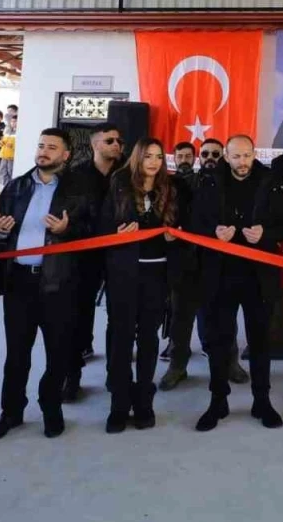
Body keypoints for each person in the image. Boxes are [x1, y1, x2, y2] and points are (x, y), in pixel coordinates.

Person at [0, 129, 94, 444]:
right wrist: (0, 233)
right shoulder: (16, 187)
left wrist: (68, 229)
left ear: (66, 155)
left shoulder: (79, 189)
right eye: (41, 145)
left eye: (52, 147)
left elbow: (93, 231)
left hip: (59, 283)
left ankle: (50, 407)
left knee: (58, 352)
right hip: (19, 282)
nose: (43, 151)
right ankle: (11, 411)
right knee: (17, 353)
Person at [189, 134, 283, 431]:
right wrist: (213, 233)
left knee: (260, 341)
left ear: (254, 154)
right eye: (236, 156)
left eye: (247, 155)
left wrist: (266, 235)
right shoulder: (209, 181)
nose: (243, 162)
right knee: (219, 340)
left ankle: (262, 401)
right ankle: (218, 401)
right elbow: (194, 221)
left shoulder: (270, 181)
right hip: (220, 274)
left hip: (259, 275)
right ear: (226, 156)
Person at [100, 139, 187, 433]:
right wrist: (117, 233)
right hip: (124, 272)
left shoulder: (171, 187)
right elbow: (103, 225)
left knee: (149, 338)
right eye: (148, 156)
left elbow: (182, 226)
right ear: (138, 157)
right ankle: (118, 404)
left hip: (157, 274)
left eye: (159, 157)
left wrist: (175, 237)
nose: (153, 162)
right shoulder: (119, 183)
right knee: (121, 338)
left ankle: (144, 402)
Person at [161, 137, 247, 389]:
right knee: (181, 318)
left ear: (225, 157)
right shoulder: (184, 183)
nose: (210, 159)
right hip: (186, 261)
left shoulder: (232, 185)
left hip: (219, 262)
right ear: (199, 157)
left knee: (224, 317)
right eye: (206, 154)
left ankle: (230, 362)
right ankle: (177, 366)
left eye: (216, 154)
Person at [63, 123, 125, 402]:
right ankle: (72, 376)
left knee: (119, 314)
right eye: (109, 140)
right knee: (77, 314)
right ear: (95, 144)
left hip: (119, 254)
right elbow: (69, 216)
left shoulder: (127, 174)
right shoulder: (75, 176)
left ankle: (116, 375)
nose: (116, 145)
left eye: (119, 141)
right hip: (85, 254)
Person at [0, 119, 17, 189]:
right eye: (12, 121)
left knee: (10, 172)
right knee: (2, 172)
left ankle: (12, 187)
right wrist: (0, 142)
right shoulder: (7, 131)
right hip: (4, 156)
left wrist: (13, 146)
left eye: (15, 121)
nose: (13, 123)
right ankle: (5, 187)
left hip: (12, 157)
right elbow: (2, 141)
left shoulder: (20, 131)